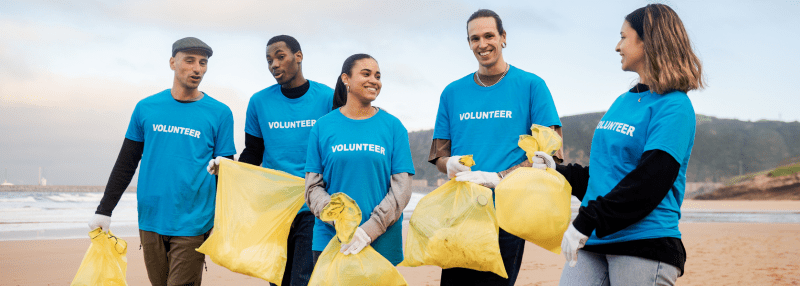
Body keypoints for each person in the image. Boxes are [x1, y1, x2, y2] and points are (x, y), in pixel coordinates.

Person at [557, 4, 703, 285]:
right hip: (595, 240)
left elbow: (650, 181)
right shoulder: (623, 101)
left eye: (623, 37)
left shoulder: (675, 106)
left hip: (645, 244)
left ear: (648, 40)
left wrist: (587, 219)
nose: (617, 46)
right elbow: (604, 177)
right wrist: (554, 170)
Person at [428, 9, 563, 285]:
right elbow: (439, 155)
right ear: (468, 43)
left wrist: (498, 178)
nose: (482, 44)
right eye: (474, 38)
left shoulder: (531, 86)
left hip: (508, 212)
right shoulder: (452, 92)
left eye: (489, 35)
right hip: (461, 212)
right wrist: (449, 165)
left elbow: (550, 151)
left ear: (503, 38)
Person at [88, 37, 237, 286]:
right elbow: (126, 162)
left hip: (194, 219)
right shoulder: (146, 108)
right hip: (151, 217)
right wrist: (104, 210)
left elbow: (228, 170)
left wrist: (224, 173)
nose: (197, 68)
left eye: (202, 63)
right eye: (189, 61)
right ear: (172, 63)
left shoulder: (220, 113)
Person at [206, 35, 333, 286]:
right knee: (278, 279)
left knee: (303, 279)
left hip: (314, 204)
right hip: (274, 207)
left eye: (280, 56)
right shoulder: (259, 102)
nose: (274, 64)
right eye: (268, 60)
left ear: (299, 56)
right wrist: (228, 168)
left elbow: (335, 150)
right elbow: (254, 152)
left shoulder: (327, 98)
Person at [304, 54, 415, 266]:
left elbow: (402, 189)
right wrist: (340, 220)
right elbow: (312, 188)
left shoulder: (393, 127)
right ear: (346, 78)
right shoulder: (322, 127)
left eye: (378, 76)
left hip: (382, 244)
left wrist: (368, 230)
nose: (374, 80)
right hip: (331, 242)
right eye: (366, 74)